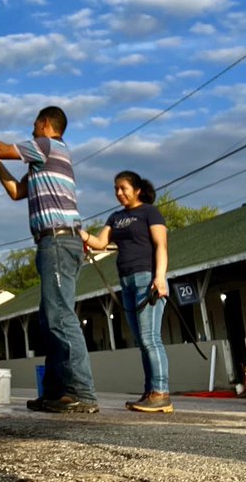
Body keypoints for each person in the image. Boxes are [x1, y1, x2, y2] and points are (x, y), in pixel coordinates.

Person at [0, 106, 99, 414]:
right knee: (49, 318)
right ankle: (56, 391)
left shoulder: (47, 146)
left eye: (33, 124)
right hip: (54, 242)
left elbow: (1, 146)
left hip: (58, 240)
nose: (31, 129)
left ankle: (81, 390)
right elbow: (16, 192)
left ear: (45, 124)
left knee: (61, 317)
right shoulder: (42, 163)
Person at [81, 170, 172, 413]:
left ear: (137, 189)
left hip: (148, 279)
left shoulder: (149, 212)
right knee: (141, 341)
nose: (119, 193)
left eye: (123, 188)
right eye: (116, 189)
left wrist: (160, 277)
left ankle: (161, 392)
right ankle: (149, 391)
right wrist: (79, 233)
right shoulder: (115, 217)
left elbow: (161, 245)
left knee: (150, 338)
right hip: (127, 281)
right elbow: (100, 243)